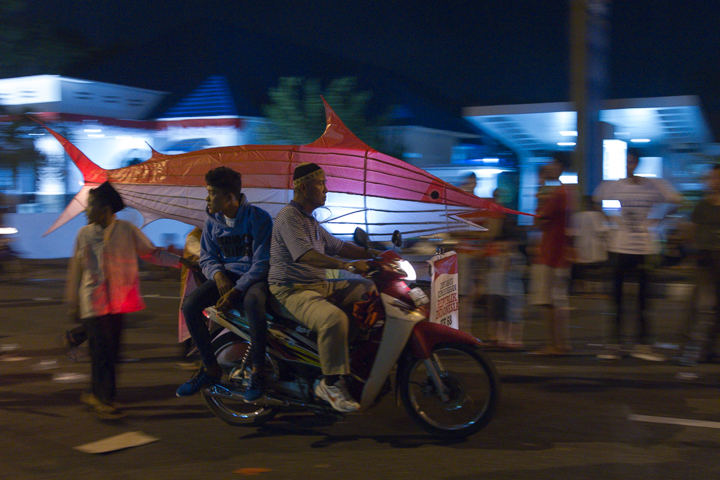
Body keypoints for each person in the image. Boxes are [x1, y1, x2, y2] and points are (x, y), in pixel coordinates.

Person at [65, 181, 192, 419]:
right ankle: (105, 399)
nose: (85, 210)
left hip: (119, 302)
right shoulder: (84, 234)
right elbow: (76, 270)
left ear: (104, 210)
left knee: (110, 353)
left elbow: (151, 253)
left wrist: (180, 261)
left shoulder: (126, 230)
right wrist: (73, 302)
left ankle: (95, 393)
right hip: (92, 302)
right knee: (102, 352)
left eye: (90, 205)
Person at [268, 163, 379, 413]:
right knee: (333, 319)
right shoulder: (289, 218)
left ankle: (351, 354)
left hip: (318, 285)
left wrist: (375, 254)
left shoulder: (310, 221)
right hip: (292, 290)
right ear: (303, 187)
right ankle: (329, 384)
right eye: (321, 183)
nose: (326, 189)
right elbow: (305, 255)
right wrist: (347, 267)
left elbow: (339, 246)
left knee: (368, 289)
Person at [176, 167, 272, 402]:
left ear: (229, 197)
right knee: (190, 306)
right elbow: (207, 257)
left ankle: (258, 372)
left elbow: (261, 263)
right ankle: (210, 368)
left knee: (254, 303)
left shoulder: (259, 219)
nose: (207, 199)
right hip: (225, 277)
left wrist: (237, 290)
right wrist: (218, 275)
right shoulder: (211, 222)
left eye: (211, 193)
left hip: (254, 279)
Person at [593, 148, 683, 361]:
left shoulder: (654, 185)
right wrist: (612, 218)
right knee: (617, 298)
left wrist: (659, 219)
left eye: (632, 161)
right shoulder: (617, 184)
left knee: (643, 300)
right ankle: (614, 345)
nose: (629, 165)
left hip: (644, 248)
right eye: (627, 162)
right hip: (620, 247)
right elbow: (596, 199)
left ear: (638, 163)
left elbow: (677, 200)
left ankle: (642, 346)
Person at [528, 153, 574, 355]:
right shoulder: (563, 192)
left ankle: (555, 344)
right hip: (557, 253)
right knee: (557, 301)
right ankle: (561, 343)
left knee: (549, 302)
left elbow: (538, 220)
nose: (549, 167)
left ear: (561, 167)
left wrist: (540, 198)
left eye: (554, 164)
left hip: (551, 254)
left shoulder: (557, 194)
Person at [681, 164, 720, 364]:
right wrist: (693, 250)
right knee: (698, 303)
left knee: (716, 307)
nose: (714, 181)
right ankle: (685, 346)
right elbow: (691, 230)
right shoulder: (702, 206)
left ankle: (709, 348)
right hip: (705, 257)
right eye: (711, 178)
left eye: (717, 178)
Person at [570, 195, 610, 295]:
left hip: (580, 247)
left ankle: (581, 289)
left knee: (581, 270)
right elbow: (602, 230)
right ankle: (594, 289)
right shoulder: (597, 215)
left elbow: (573, 232)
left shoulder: (576, 215)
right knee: (595, 269)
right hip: (595, 248)